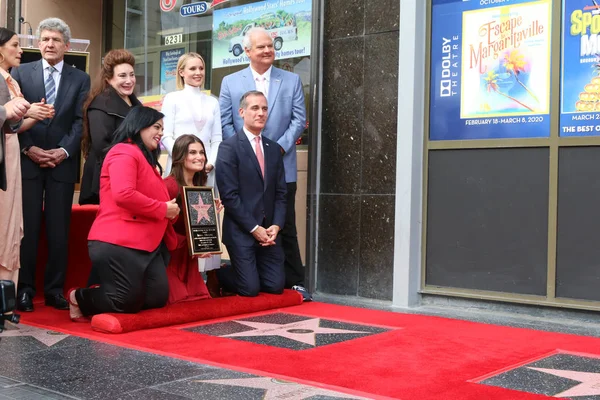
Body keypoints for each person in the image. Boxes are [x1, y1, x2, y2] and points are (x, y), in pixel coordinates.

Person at [218, 27, 310, 300]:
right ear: (248, 51)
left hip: (280, 162)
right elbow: (225, 121)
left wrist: (276, 149)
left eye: (271, 46)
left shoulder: (291, 80)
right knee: (244, 215)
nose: (268, 50)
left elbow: (298, 119)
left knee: (287, 226)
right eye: (261, 47)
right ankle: (240, 272)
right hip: (243, 166)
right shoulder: (231, 82)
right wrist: (242, 152)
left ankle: (294, 282)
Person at [67, 106, 179, 321]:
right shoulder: (123, 151)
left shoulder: (145, 159)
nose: (161, 133)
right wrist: (163, 209)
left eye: (163, 128)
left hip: (147, 244)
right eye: (156, 127)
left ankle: (111, 294)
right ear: (139, 125)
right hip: (119, 241)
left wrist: (169, 211)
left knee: (156, 298)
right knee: (125, 300)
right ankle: (79, 297)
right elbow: (124, 194)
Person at [12, 18, 91, 312]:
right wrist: (29, 148)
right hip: (28, 161)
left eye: (56, 40)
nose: (49, 44)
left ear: (67, 46)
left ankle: (55, 289)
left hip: (62, 165)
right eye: (44, 39)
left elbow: (79, 122)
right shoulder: (20, 73)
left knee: (59, 232)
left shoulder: (80, 78)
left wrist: (62, 151)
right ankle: (25, 290)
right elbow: (14, 119)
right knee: (28, 230)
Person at [215, 90, 286, 297]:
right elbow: (229, 196)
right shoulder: (229, 148)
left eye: (264, 109)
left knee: (275, 287)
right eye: (255, 108)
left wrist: (276, 225)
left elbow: (281, 193)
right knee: (250, 289)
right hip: (241, 232)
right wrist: (254, 228)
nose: (261, 113)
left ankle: (250, 272)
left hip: (269, 234)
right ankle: (219, 274)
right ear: (241, 112)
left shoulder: (273, 149)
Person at [161, 52, 223, 273]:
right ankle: (174, 271)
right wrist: (183, 158)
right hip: (179, 169)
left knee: (203, 220)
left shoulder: (213, 101)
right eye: (192, 69)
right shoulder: (172, 99)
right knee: (178, 218)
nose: (198, 73)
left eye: (201, 68)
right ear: (181, 72)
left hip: (205, 170)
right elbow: (166, 135)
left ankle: (203, 275)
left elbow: (216, 138)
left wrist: (209, 162)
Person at [164, 134, 223, 303]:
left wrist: (210, 214)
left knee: (199, 303)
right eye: (193, 152)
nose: (200, 157)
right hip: (170, 260)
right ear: (180, 156)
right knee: (179, 303)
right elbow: (160, 229)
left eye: (202, 152)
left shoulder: (200, 188)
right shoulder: (168, 185)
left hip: (189, 262)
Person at [0, 27, 37, 293]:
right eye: (14, 45)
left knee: (12, 221)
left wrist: (35, 114)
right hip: (3, 156)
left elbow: (12, 127)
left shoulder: (11, 80)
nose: (20, 50)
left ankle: (7, 294)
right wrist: (5, 110)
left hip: (11, 152)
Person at [79, 49, 141, 205]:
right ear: (108, 79)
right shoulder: (100, 104)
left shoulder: (136, 104)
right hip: (107, 179)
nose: (129, 80)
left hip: (132, 177)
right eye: (122, 76)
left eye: (131, 75)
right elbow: (102, 145)